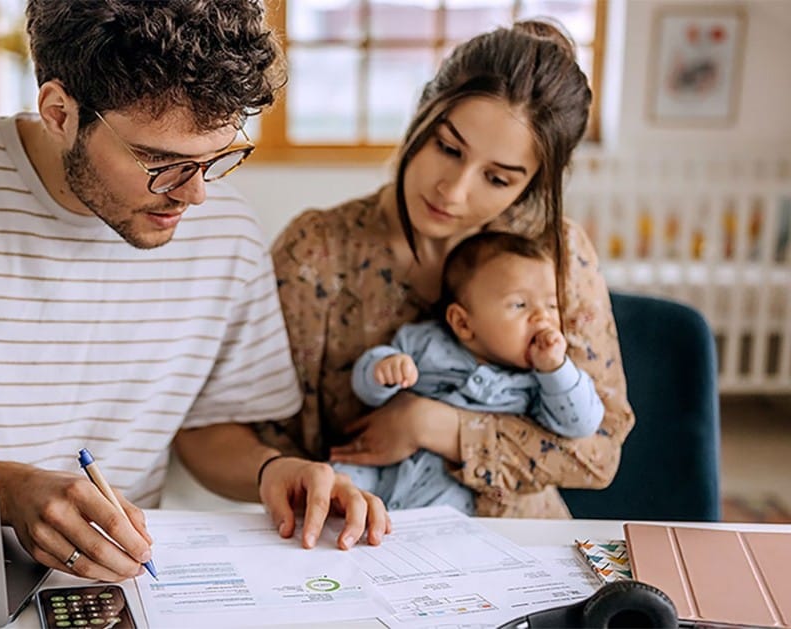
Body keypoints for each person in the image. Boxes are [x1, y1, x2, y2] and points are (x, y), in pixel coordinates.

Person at [0, 0, 390, 584]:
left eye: (217, 158)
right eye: (161, 161)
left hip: (116, 586)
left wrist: (271, 470)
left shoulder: (226, 229)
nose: (194, 195)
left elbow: (210, 427)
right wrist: (9, 491)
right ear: (59, 112)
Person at [254, 19, 635, 518]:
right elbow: (261, 438)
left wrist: (432, 425)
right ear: (421, 112)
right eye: (448, 149)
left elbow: (597, 451)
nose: (453, 191)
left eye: (497, 178)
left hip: (518, 551)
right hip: (355, 541)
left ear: (533, 183)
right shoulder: (316, 252)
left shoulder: (558, 254)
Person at [341, 231, 605, 513]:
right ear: (463, 323)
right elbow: (367, 392)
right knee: (339, 481)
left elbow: (581, 424)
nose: (543, 317)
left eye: (552, 305)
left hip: (449, 488)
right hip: (383, 468)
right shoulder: (426, 342)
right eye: (520, 304)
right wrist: (382, 370)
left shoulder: (539, 382)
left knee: (445, 523)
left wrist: (555, 368)